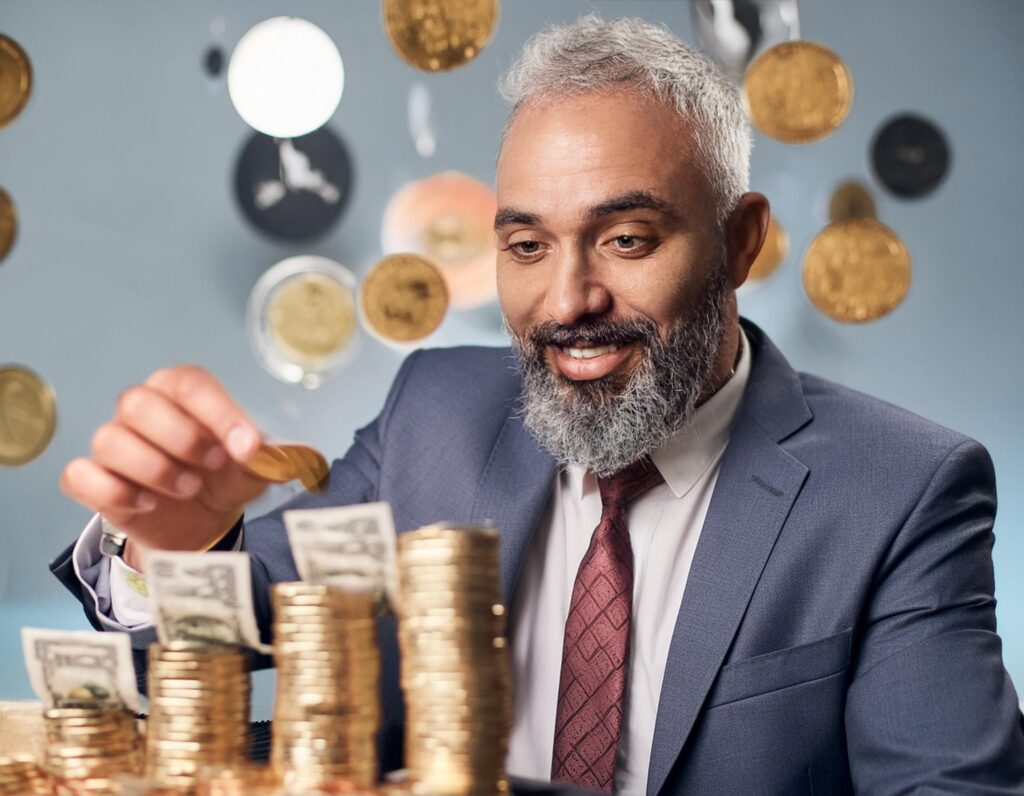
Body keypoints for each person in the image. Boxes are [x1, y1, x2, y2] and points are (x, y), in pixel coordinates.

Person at [51, 15, 1024, 796]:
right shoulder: (434, 412)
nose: (567, 303)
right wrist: (170, 551)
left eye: (627, 239)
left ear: (742, 241)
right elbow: (176, 660)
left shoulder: (902, 491)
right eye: (525, 247)